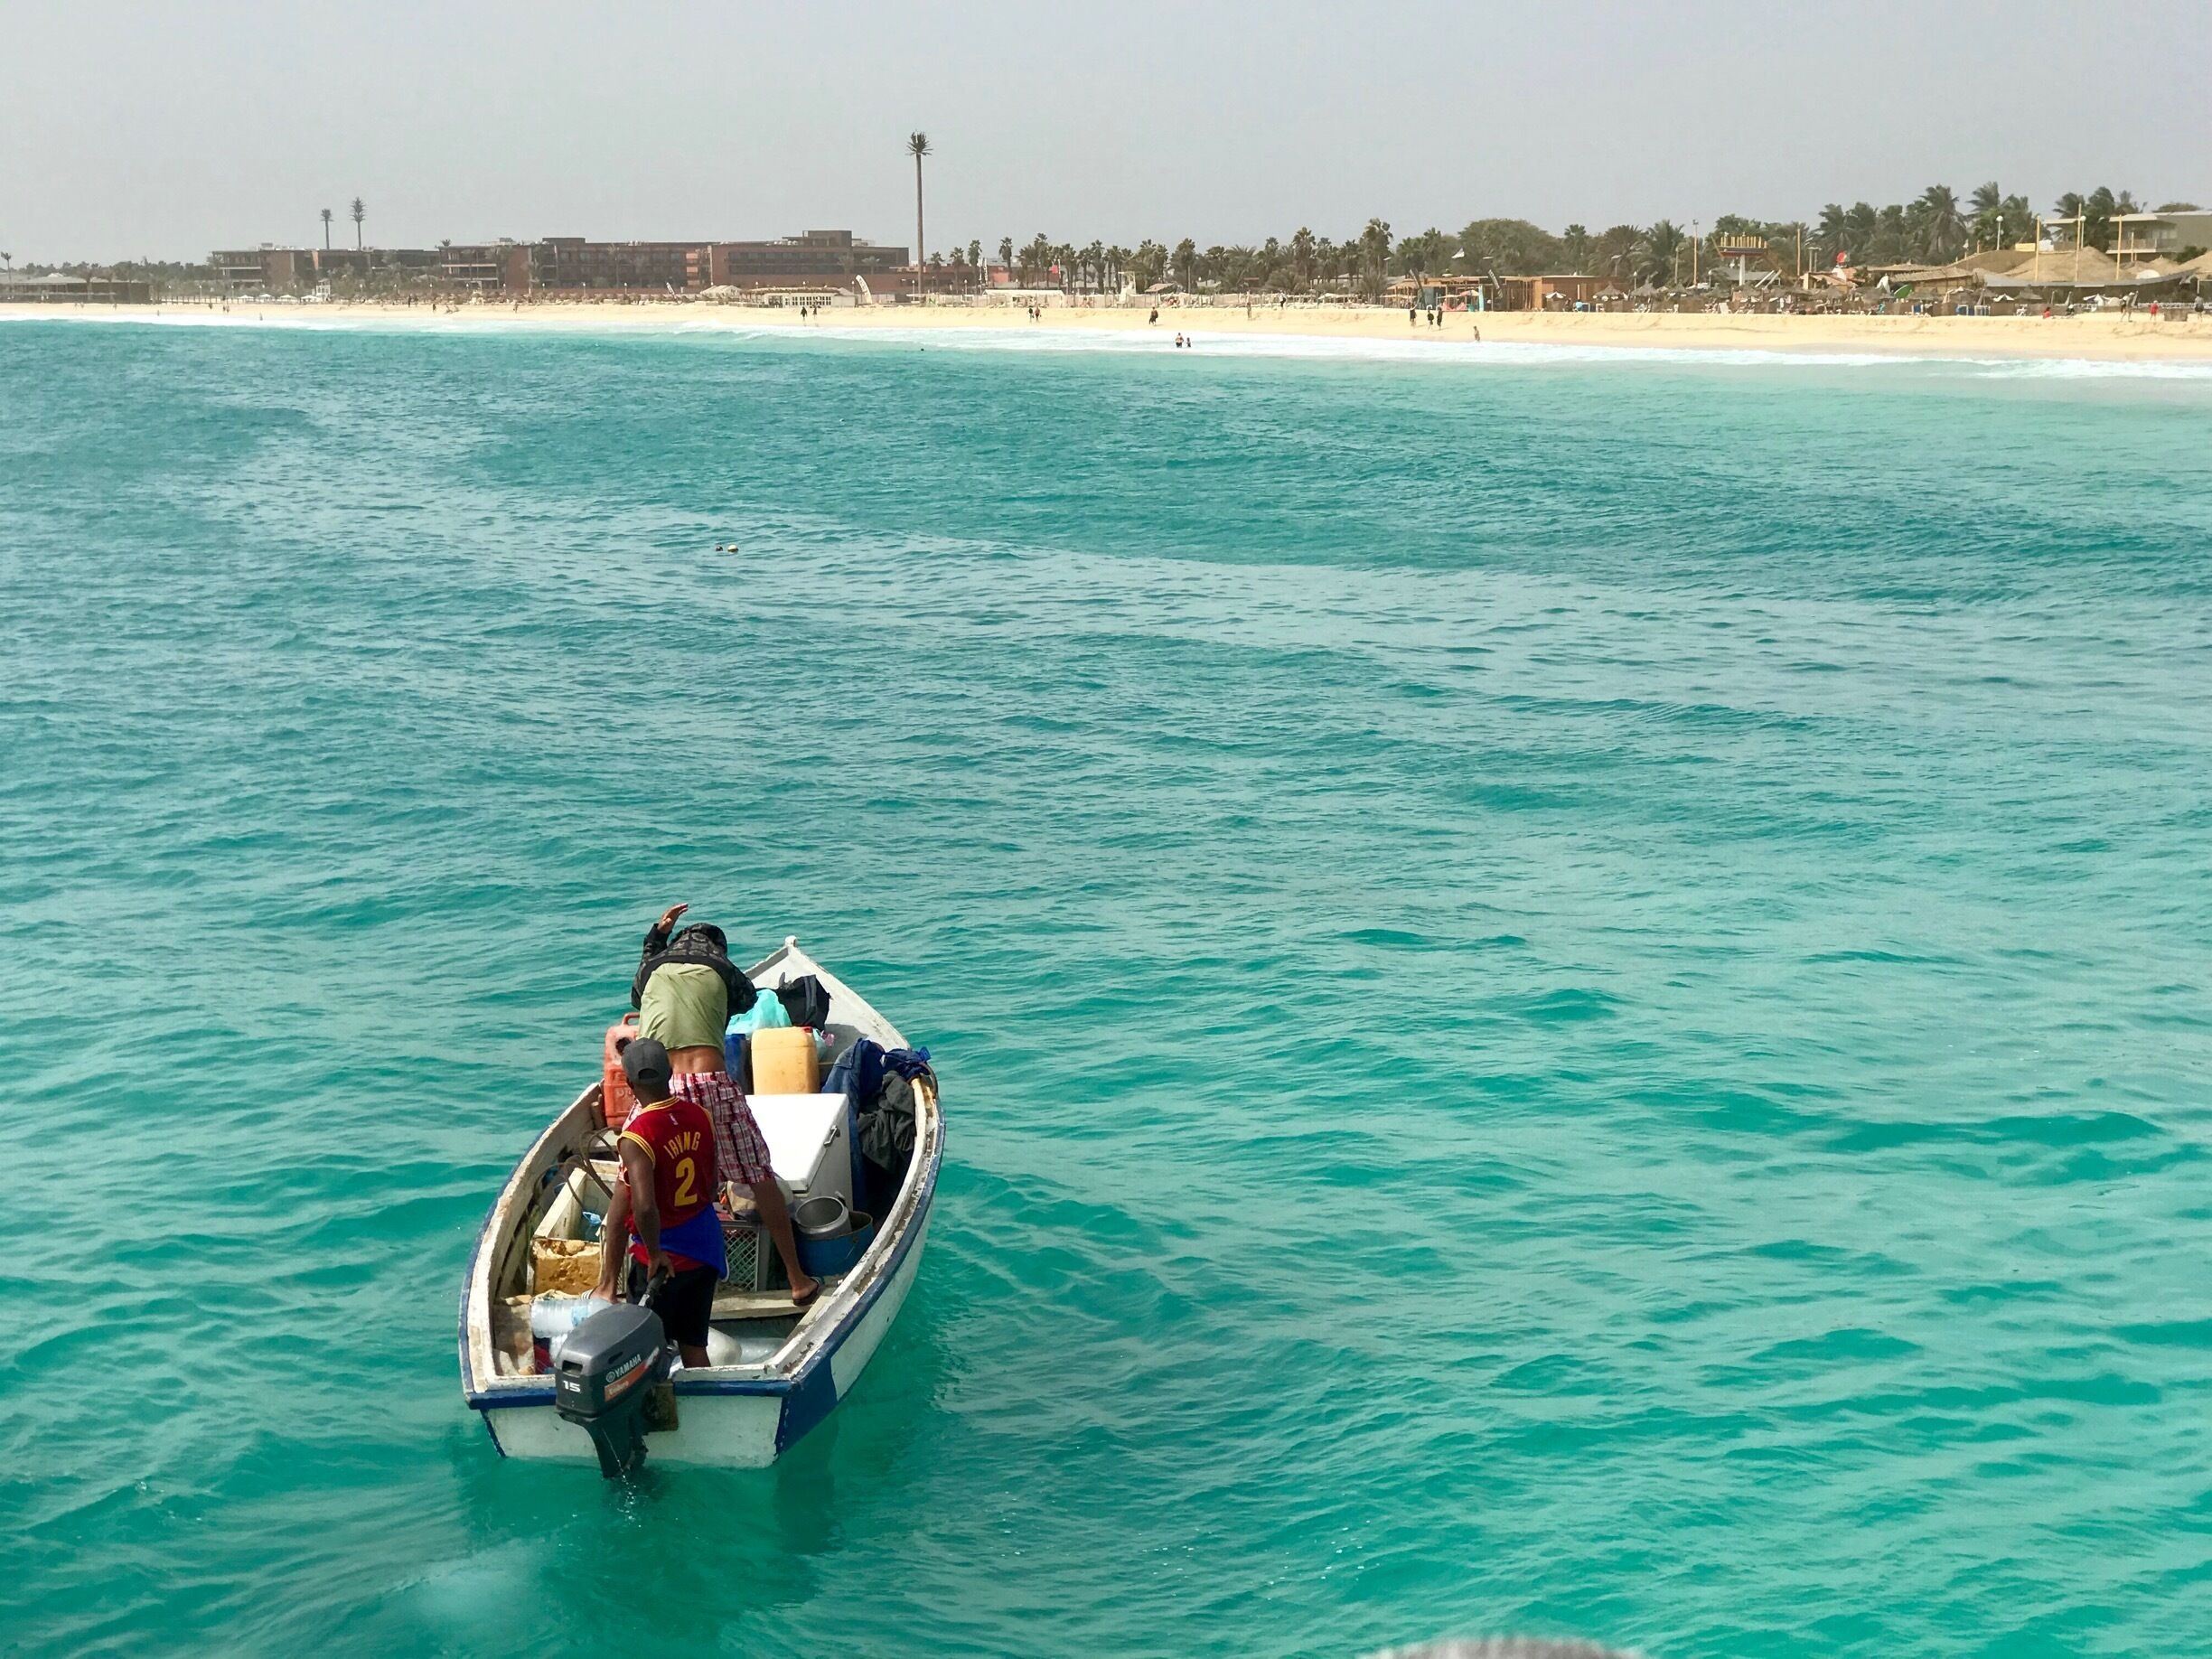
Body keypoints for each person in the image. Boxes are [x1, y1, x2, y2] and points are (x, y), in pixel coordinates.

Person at [632, 903, 819, 1306]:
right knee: (757, 1173)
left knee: (631, 1182)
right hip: (711, 1082)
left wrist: (657, 936)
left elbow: (637, 988)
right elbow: (748, 1001)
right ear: (719, 949)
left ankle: (610, 1284)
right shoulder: (720, 965)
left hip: (657, 1088)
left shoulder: (652, 967)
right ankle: (797, 1278)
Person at [596, 1037, 723, 1367]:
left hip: (663, 1261)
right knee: (694, 1344)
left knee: (646, 1352)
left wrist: (654, 1254)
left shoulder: (637, 1135)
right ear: (669, 1073)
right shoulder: (701, 1116)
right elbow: (711, 1186)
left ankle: (656, 1412)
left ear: (628, 1082)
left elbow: (644, 1206)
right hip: (705, 1248)